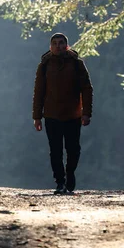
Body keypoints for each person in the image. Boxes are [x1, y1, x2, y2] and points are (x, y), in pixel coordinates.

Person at [32, 32, 93, 194]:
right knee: (55, 150)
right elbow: (39, 92)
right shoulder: (44, 65)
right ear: (50, 47)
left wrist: (86, 112)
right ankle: (60, 182)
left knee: (74, 149)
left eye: (61, 43)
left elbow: (87, 89)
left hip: (73, 114)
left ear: (67, 45)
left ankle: (70, 173)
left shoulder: (77, 64)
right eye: (55, 43)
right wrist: (37, 116)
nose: (58, 46)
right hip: (51, 115)